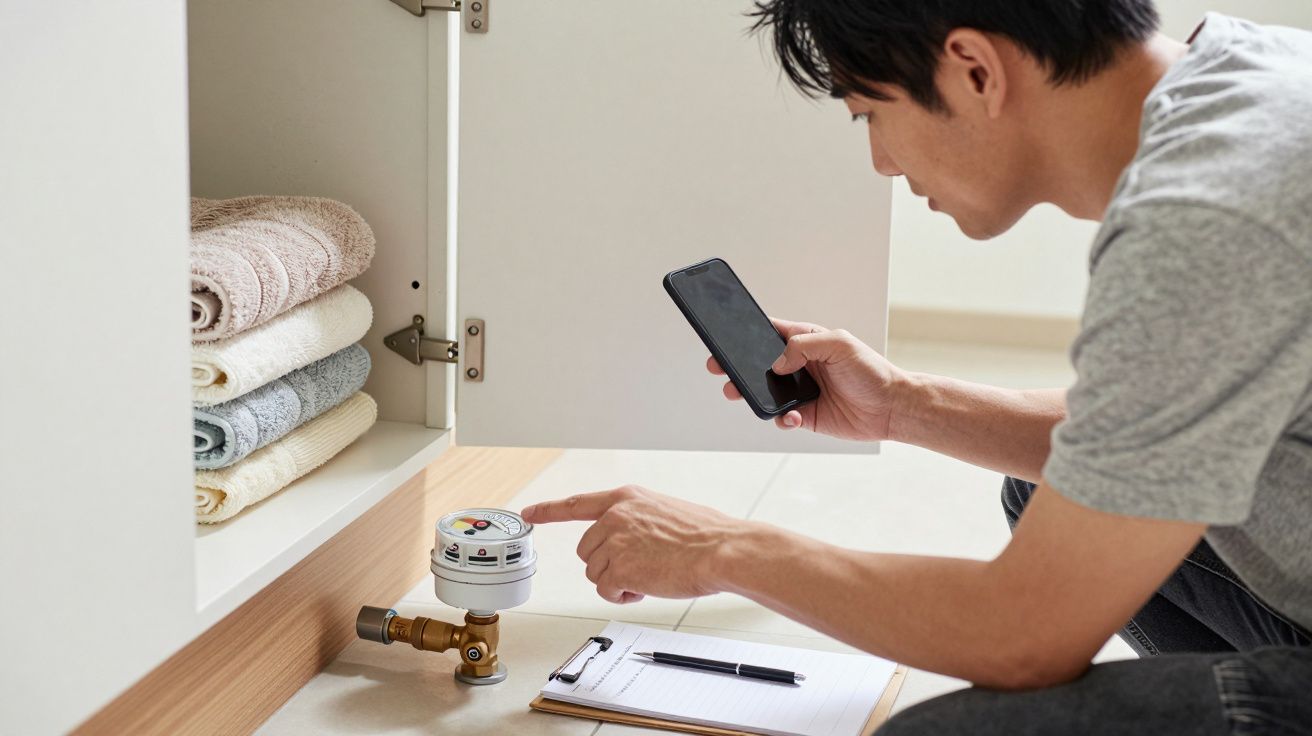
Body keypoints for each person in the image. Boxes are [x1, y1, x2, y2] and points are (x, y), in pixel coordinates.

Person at [521, 2, 1312, 732]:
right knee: (1047, 486)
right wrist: (902, 404)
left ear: (974, 69)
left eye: (870, 113)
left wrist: (720, 549)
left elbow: (1024, 633)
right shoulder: (1254, 77)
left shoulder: (1209, 222)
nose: (881, 162)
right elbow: (1156, 435)